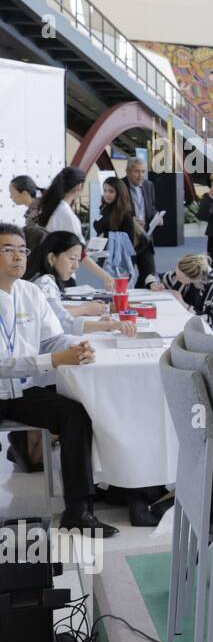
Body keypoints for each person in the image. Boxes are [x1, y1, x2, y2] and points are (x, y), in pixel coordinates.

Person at [0, 223, 110, 534]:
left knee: (75, 415)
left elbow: (53, 340)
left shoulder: (30, 292)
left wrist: (76, 348)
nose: (18, 258)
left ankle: (78, 511)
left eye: (22, 251)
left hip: (23, 391)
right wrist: (54, 360)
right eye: (8, 250)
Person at [32, 231, 136, 337]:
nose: (76, 266)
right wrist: (109, 325)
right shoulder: (45, 284)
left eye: (78, 260)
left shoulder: (46, 281)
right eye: (72, 259)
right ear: (52, 258)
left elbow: (56, 309)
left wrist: (90, 312)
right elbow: (62, 322)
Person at [147, 253, 213, 326]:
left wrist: (184, 305)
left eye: (180, 277)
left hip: (203, 330)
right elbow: (154, 276)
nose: (176, 278)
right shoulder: (181, 273)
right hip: (178, 321)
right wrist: (153, 283)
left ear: (194, 279)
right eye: (176, 272)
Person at [124, 156, 158, 288]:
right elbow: (112, 211)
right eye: (136, 171)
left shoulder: (149, 185)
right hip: (127, 239)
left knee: (149, 277)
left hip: (145, 238)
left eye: (143, 171)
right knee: (124, 278)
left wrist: (156, 217)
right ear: (127, 171)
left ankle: (139, 298)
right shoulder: (119, 186)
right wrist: (130, 220)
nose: (141, 175)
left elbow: (151, 208)